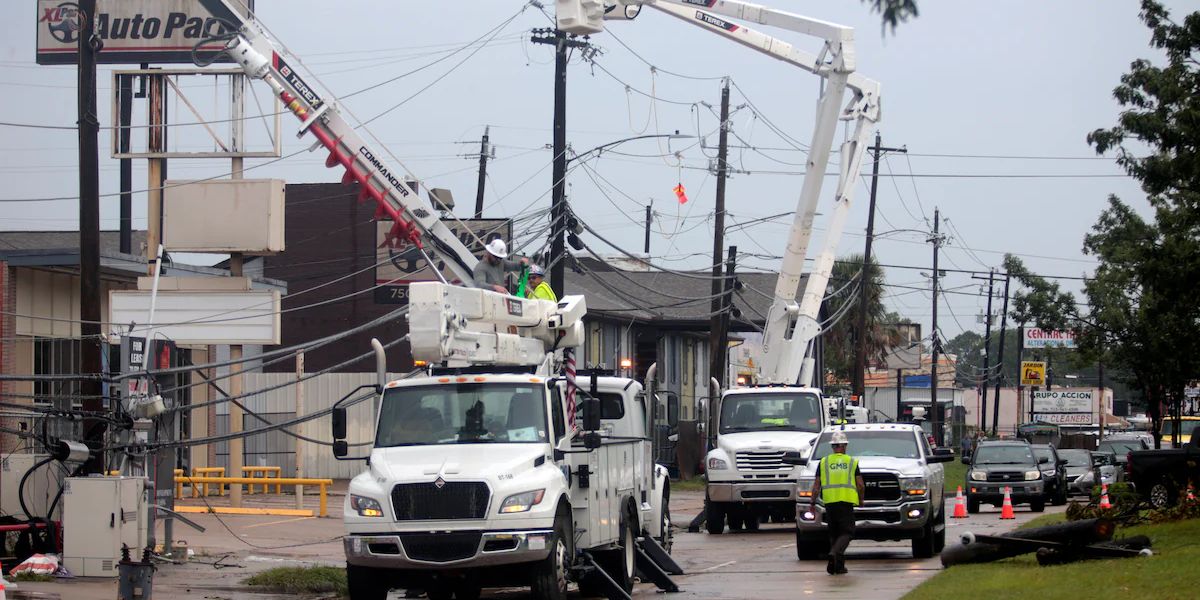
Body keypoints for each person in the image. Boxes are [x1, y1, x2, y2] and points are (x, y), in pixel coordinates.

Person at [809, 430, 866, 575]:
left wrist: (812, 502)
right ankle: (834, 553)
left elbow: (816, 485)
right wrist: (861, 499)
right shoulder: (851, 462)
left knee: (834, 534)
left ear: (833, 446)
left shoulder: (824, 462)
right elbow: (860, 485)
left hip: (829, 502)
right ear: (845, 445)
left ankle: (838, 566)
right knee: (847, 532)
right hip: (846, 502)